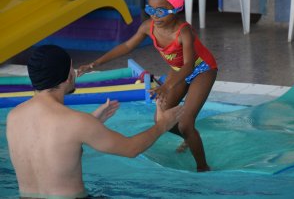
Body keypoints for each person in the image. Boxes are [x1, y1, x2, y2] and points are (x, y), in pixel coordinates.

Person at [6, 45, 183, 199]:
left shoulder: (13, 116)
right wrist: (163, 124)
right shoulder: (76, 122)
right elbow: (131, 149)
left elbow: (53, 147)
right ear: (68, 76)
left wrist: (91, 121)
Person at [78, 0, 218, 172]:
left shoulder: (184, 32)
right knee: (161, 120)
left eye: (160, 11)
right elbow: (127, 46)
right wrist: (96, 63)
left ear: (175, 8)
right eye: (150, 10)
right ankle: (190, 136)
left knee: (186, 122)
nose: (155, 16)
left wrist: (167, 86)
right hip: (179, 70)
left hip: (202, 69)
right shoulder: (148, 27)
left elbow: (188, 66)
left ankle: (203, 167)